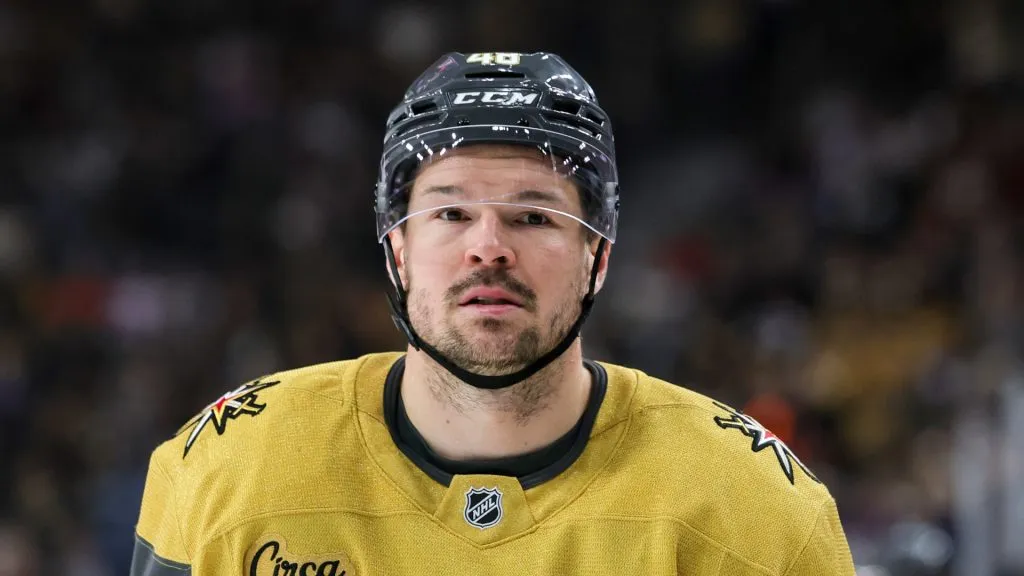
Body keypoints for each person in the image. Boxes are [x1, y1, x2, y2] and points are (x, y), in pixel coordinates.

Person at [131, 51, 855, 575]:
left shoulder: (752, 508)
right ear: (398, 250)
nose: (489, 248)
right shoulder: (227, 469)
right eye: (450, 211)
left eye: (534, 217)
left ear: (596, 258)